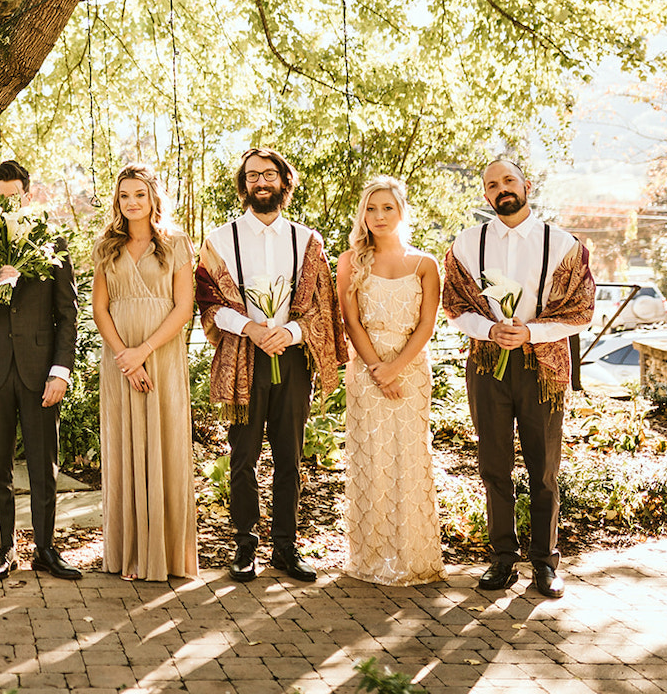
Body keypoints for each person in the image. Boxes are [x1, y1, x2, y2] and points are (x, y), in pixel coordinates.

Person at [442, 159, 594, 599]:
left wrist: (530, 332)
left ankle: (545, 563)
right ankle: (502, 560)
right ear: (485, 196)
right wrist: (490, 329)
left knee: (544, 470)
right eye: (492, 184)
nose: (502, 189)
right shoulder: (467, 244)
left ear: (527, 185)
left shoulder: (563, 244)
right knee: (494, 466)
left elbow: (580, 310)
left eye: (509, 181)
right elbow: (455, 303)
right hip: (488, 366)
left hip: (542, 369)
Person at [195, 147, 345, 585]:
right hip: (244, 358)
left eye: (270, 175)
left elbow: (321, 304)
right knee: (242, 456)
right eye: (253, 176)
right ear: (244, 186)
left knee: (290, 458)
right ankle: (245, 546)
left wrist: (292, 332)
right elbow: (207, 301)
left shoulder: (307, 240)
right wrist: (251, 329)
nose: (262, 182)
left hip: (293, 360)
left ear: (284, 182)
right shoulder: (219, 241)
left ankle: (286, 546)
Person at [0, 160, 82, 581]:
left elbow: (68, 314)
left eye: (14, 196)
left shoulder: (52, 242)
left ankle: (46, 549)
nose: (7, 203)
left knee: (46, 466)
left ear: (26, 195)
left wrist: (61, 370)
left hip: (41, 370)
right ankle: (4, 550)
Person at [335, 177, 446, 586]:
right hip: (365, 372)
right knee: (371, 458)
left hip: (412, 370)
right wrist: (376, 369)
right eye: (371, 209)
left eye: (387, 208)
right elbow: (351, 321)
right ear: (362, 215)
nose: (379, 216)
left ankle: (412, 556)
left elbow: (427, 324)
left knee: (409, 458)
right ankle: (371, 557)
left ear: (402, 211)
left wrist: (396, 367)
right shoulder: (350, 261)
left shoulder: (425, 264)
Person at [91, 163, 196, 581]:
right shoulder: (106, 246)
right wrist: (124, 356)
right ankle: (130, 554)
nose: (131, 203)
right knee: (124, 447)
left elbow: (184, 308)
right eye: (124, 196)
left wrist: (144, 353)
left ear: (154, 197)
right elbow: (100, 308)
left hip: (162, 355)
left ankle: (166, 556)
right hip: (119, 359)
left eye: (139, 194)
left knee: (164, 443)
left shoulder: (176, 244)